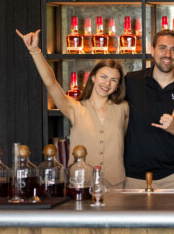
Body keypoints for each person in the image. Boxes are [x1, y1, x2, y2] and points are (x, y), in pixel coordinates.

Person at [17, 29, 129, 188]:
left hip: (116, 184)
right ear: (93, 77)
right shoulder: (74, 108)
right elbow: (51, 83)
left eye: (113, 80)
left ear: (118, 86)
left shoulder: (123, 108)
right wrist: (35, 51)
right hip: (81, 184)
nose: (107, 83)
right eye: (103, 77)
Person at [123, 29, 174, 189]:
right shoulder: (131, 81)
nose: (168, 54)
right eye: (162, 48)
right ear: (152, 50)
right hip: (134, 176)